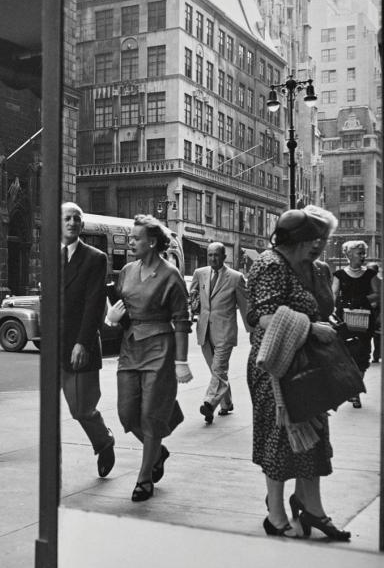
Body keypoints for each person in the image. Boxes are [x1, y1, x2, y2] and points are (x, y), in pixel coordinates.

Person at [247, 206, 350, 541]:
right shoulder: (269, 263)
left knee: (314, 440)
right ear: (294, 237)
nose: (319, 245)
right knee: (280, 439)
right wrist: (310, 329)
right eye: (313, 238)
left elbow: (321, 309)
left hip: (311, 364)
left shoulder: (319, 269)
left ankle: (312, 509)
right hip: (276, 365)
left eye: (324, 238)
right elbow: (261, 316)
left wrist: (327, 326)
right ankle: (275, 515)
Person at [106, 214, 192, 502]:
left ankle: (144, 478)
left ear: (152, 242)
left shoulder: (170, 275)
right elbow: (119, 304)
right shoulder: (128, 271)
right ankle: (158, 451)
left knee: (150, 416)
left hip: (160, 348)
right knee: (127, 414)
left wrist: (181, 361)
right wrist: (113, 318)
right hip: (131, 346)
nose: (131, 242)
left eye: (135, 238)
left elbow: (182, 320)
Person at [61, 202, 115, 478]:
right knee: (73, 408)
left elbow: (94, 304)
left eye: (76, 219)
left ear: (81, 225)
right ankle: (102, 438)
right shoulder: (50, 256)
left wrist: (83, 342)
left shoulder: (95, 258)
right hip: (56, 346)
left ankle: (104, 442)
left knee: (83, 409)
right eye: (67, 218)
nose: (72, 222)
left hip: (81, 344)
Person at [190, 242, 249, 424]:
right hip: (204, 331)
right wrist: (193, 304)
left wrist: (252, 330)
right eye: (210, 255)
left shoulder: (236, 278)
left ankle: (209, 403)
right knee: (217, 372)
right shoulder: (199, 274)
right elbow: (192, 296)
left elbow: (246, 307)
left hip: (225, 331)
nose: (213, 258)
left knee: (218, 369)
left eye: (217, 255)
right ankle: (227, 403)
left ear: (224, 257)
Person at [332, 241, 378, 408]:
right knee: (345, 356)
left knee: (363, 356)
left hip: (365, 322)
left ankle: (356, 391)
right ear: (349, 254)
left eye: (363, 253)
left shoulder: (370, 275)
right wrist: (332, 311)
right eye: (359, 253)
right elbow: (333, 294)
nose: (363, 256)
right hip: (344, 322)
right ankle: (352, 390)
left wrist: (363, 301)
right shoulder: (339, 275)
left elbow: (378, 295)